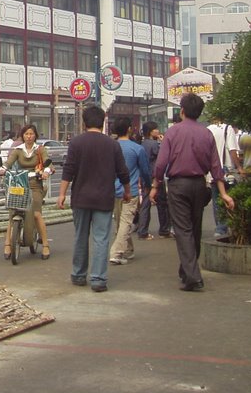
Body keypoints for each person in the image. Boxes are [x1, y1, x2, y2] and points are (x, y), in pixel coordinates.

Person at [150, 93, 235, 292]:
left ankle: (193, 277)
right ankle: (186, 270)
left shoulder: (172, 132)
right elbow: (216, 166)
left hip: (178, 186)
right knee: (194, 229)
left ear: (182, 111)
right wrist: (223, 193)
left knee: (183, 231)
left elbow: (161, 163)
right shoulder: (206, 134)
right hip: (199, 184)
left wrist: (154, 186)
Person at [56, 106, 129, 293]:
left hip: (81, 198)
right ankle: (98, 279)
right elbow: (123, 172)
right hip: (104, 198)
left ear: (84, 122)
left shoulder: (76, 143)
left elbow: (68, 170)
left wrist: (62, 194)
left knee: (80, 237)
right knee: (101, 238)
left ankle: (79, 275)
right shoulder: (112, 144)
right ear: (103, 121)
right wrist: (127, 192)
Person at [2, 124, 51, 260]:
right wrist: (3, 169)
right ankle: (7, 243)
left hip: (35, 184)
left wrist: (46, 171)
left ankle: (46, 245)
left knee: (36, 214)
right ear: (22, 136)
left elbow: (48, 163)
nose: (29, 136)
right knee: (12, 213)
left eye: (31, 134)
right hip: (20, 184)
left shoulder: (40, 150)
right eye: (26, 134)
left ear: (35, 135)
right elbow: (8, 162)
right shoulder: (18, 150)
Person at [108, 117, 148, 266]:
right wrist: (149, 186)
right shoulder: (137, 148)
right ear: (129, 129)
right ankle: (117, 252)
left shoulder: (111, 147)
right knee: (125, 222)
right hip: (130, 191)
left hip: (113, 190)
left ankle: (128, 249)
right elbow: (145, 171)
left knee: (121, 222)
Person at [206, 117, 242, 238]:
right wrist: (239, 167)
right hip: (227, 171)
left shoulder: (208, 130)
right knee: (231, 199)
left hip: (212, 171)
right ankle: (231, 226)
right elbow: (232, 150)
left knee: (217, 200)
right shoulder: (228, 129)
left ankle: (220, 229)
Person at [136, 121, 171, 239]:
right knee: (162, 202)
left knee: (145, 204)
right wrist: (163, 141)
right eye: (156, 129)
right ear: (151, 132)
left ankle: (142, 230)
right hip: (155, 176)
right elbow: (163, 158)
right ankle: (164, 229)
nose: (158, 131)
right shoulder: (154, 144)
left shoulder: (142, 144)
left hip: (145, 175)